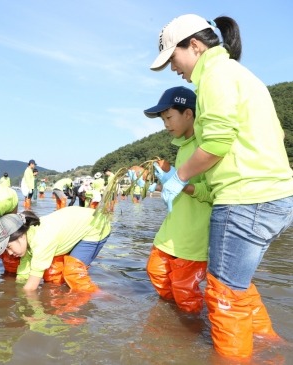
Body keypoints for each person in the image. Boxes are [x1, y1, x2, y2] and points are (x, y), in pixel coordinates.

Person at [150, 14, 293, 358]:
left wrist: (179, 177)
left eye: (174, 58)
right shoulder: (239, 75)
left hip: (245, 197)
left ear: (195, 46)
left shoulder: (215, 76)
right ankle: (272, 346)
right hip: (274, 194)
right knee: (236, 288)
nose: (174, 68)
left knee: (224, 296)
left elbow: (215, 143)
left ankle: (234, 357)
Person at [143, 86, 212, 314]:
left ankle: (189, 328)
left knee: (185, 290)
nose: (166, 124)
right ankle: (171, 319)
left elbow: (211, 192)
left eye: (169, 117)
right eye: (163, 119)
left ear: (188, 113)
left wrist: (183, 184)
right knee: (156, 271)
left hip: (192, 237)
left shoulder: (206, 147)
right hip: (170, 231)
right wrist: (168, 178)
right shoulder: (181, 146)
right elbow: (179, 185)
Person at [0, 206, 111, 292]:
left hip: (96, 226)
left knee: (72, 273)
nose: (10, 253)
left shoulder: (41, 241)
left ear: (19, 235)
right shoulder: (28, 235)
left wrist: (20, 299)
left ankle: (101, 297)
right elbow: (24, 272)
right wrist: (15, 286)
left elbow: (31, 287)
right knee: (54, 273)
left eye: (8, 247)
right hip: (75, 222)